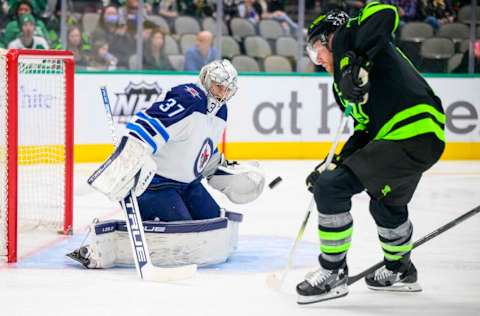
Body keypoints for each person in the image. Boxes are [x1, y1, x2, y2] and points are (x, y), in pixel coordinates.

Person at [296, 2, 445, 304]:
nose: (318, 59)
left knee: (332, 189)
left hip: (410, 132)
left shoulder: (353, 34)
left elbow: (385, 11)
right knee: (386, 205)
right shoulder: (343, 86)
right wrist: (333, 164)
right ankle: (400, 270)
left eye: (316, 49)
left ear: (329, 37)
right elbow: (363, 131)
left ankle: (333, 271)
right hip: (415, 140)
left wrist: (354, 61)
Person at [67, 59, 265, 268]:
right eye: (218, 86)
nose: (221, 93)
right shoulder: (188, 97)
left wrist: (224, 171)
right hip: (154, 184)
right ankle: (100, 250)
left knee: (213, 223)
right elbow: (148, 125)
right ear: (206, 80)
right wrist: (130, 161)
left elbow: (203, 150)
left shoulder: (221, 112)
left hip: (189, 185)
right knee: (182, 234)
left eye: (227, 90)